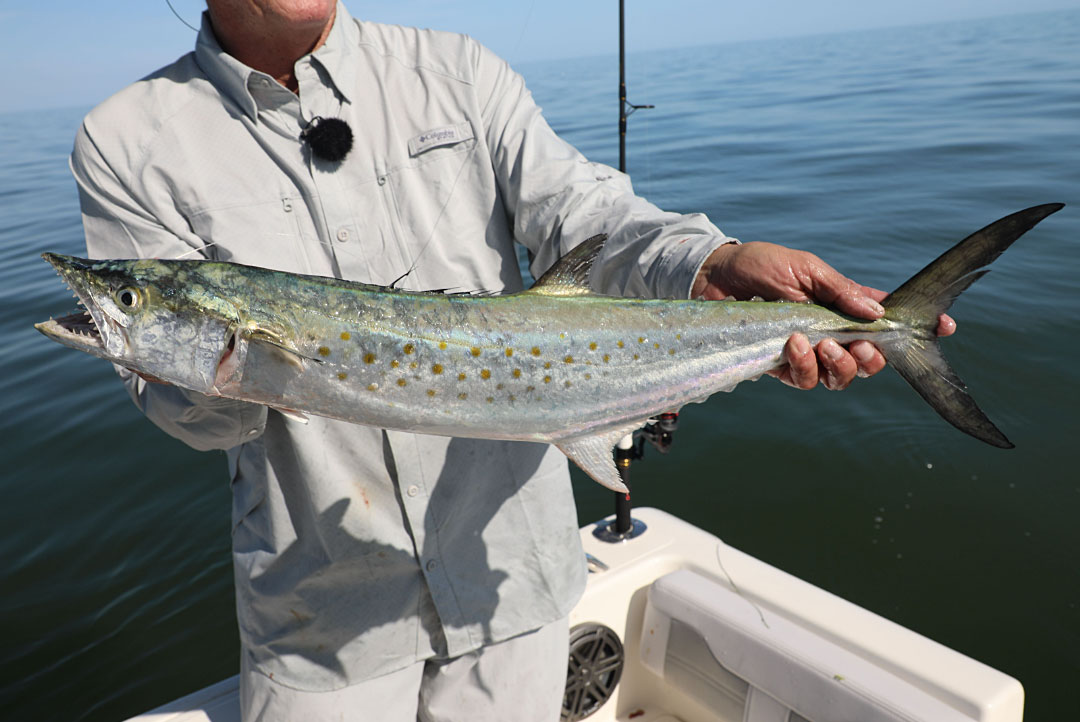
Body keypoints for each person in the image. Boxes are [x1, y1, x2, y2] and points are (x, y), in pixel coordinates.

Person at [71, 2, 953, 720]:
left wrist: (712, 264)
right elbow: (195, 418)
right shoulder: (126, 142)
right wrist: (216, 371)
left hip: (512, 584)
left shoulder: (455, 71)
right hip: (320, 619)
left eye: (128, 302)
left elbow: (587, 217)